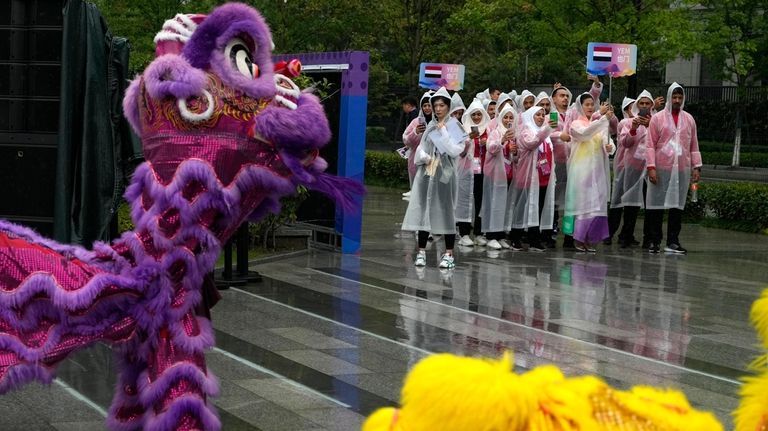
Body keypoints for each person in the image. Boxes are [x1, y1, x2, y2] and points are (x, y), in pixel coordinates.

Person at [402, 87, 467, 269]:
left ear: (448, 106)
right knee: (425, 210)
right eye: (435, 105)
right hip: (428, 173)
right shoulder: (430, 125)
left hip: (446, 175)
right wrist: (424, 156)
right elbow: (421, 147)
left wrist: (444, 132)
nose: (438, 109)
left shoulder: (455, 126)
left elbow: (456, 150)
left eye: (442, 105)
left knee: (446, 210)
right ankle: (421, 251)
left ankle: (449, 253)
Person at [645, 82, 701, 254]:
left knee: (677, 205)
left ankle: (673, 241)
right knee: (656, 205)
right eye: (674, 97)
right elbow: (650, 144)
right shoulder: (657, 118)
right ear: (669, 98)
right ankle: (654, 240)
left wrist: (696, 167)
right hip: (662, 167)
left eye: (680, 97)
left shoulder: (689, 119)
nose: (677, 100)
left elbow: (693, 145)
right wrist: (651, 167)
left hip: (682, 168)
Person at [564, 93, 615, 252]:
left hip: (597, 173)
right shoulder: (576, 125)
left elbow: (609, 142)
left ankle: (591, 238)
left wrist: (610, 147)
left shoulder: (599, 124)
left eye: (592, 104)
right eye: (586, 104)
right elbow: (585, 134)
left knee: (595, 205)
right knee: (582, 205)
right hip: (581, 172)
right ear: (580, 106)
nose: (590, 107)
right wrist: (602, 119)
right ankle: (579, 238)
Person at [506, 106, 556, 251]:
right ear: (530, 116)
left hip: (542, 177)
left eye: (542, 114)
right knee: (522, 207)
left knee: (537, 207)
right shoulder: (525, 131)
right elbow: (531, 143)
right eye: (537, 115)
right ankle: (515, 237)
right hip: (527, 177)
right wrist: (546, 129)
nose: (541, 117)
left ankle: (534, 239)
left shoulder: (545, 135)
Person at [456, 99, 490, 247]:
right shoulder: (463, 129)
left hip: (483, 170)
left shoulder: (488, 130)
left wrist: (486, 143)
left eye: (479, 114)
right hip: (466, 171)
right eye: (474, 114)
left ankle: (478, 232)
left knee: (480, 201)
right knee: (465, 200)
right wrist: (468, 140)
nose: (477, 117)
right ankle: (463, 233)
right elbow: (460, 153)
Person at [483, 104, 515, 250]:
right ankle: (491, 235)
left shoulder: (514, 134)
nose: (508, 120)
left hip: (508, 174)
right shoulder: (496, 132)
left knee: (505, 204)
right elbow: (491, 148)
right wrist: (502, 140)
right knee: (494, 203)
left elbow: (515, 156)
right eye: (506, 117)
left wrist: (515, 151)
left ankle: (500, 234)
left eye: (511, 117)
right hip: (495, 174)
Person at [607, 97, 636, 246]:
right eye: (632, 107)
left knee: (633, 202)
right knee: (617, 201)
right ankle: (609, 233)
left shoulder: (644, 122)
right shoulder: (624, 123)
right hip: (623, 165)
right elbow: (614, 125)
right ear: (625, 111)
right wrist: (611, 115)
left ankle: (627, 233)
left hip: (637, 168)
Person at [402, 91, 433, 197]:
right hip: (416, 161)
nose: (427, 108)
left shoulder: (439, 122)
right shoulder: (416, 122)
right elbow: (406, 140)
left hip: (434, 162)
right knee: (417, 193)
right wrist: (416, 132)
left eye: (429, 105)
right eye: (424, 105)